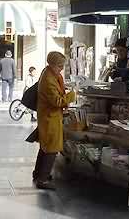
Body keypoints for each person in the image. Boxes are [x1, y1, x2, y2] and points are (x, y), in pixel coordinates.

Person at [33, 52, 76, 190]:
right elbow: (57, 101)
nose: (61, 68)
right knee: (52, 148)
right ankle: (43, 180)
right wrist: (71, 95)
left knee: (45, 146)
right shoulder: (48, 80)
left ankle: (38, 173)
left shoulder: (50, 74)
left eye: (62, 65)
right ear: (51, 64)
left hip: (49, 116)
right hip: (49, 117)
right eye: (59, 66)